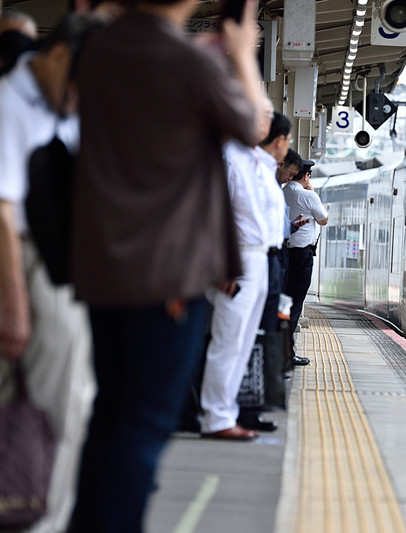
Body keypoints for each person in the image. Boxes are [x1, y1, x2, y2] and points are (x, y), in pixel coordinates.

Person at [67, 0, 264, 529]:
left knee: (110, 416)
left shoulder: (100, 48)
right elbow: (253, 126)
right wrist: (242, 56)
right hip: (166, 273)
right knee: (141, 426)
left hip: (103, 266)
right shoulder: (189, 64)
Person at [0, 13, 103, 533]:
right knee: (50, 412)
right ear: (59, 56)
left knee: (69, 408)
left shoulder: (55, 103)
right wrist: (15, 306)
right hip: (26, 269)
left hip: (60, 269)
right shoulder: (8, 104)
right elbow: (2, 211)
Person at [199, 103, 281, 440]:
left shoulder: (258, 161)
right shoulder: (228, 158)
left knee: (243, 342)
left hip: (260, 258)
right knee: (227, 340)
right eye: (260, 115)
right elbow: (212, 212)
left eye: (267, 117)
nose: (266, 122)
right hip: (237, 260)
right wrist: (221, 262)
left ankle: (225, 411)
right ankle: (215, 416)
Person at [283, 158, 328, 364]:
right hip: (302, 257)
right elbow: (324, 219)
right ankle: (287, 354)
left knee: (283, 303)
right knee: (295, 303)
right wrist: (311, 189)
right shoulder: (307, 195)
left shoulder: (283, 192)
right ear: (306, 175)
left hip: (284, 254)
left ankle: (281, 351)